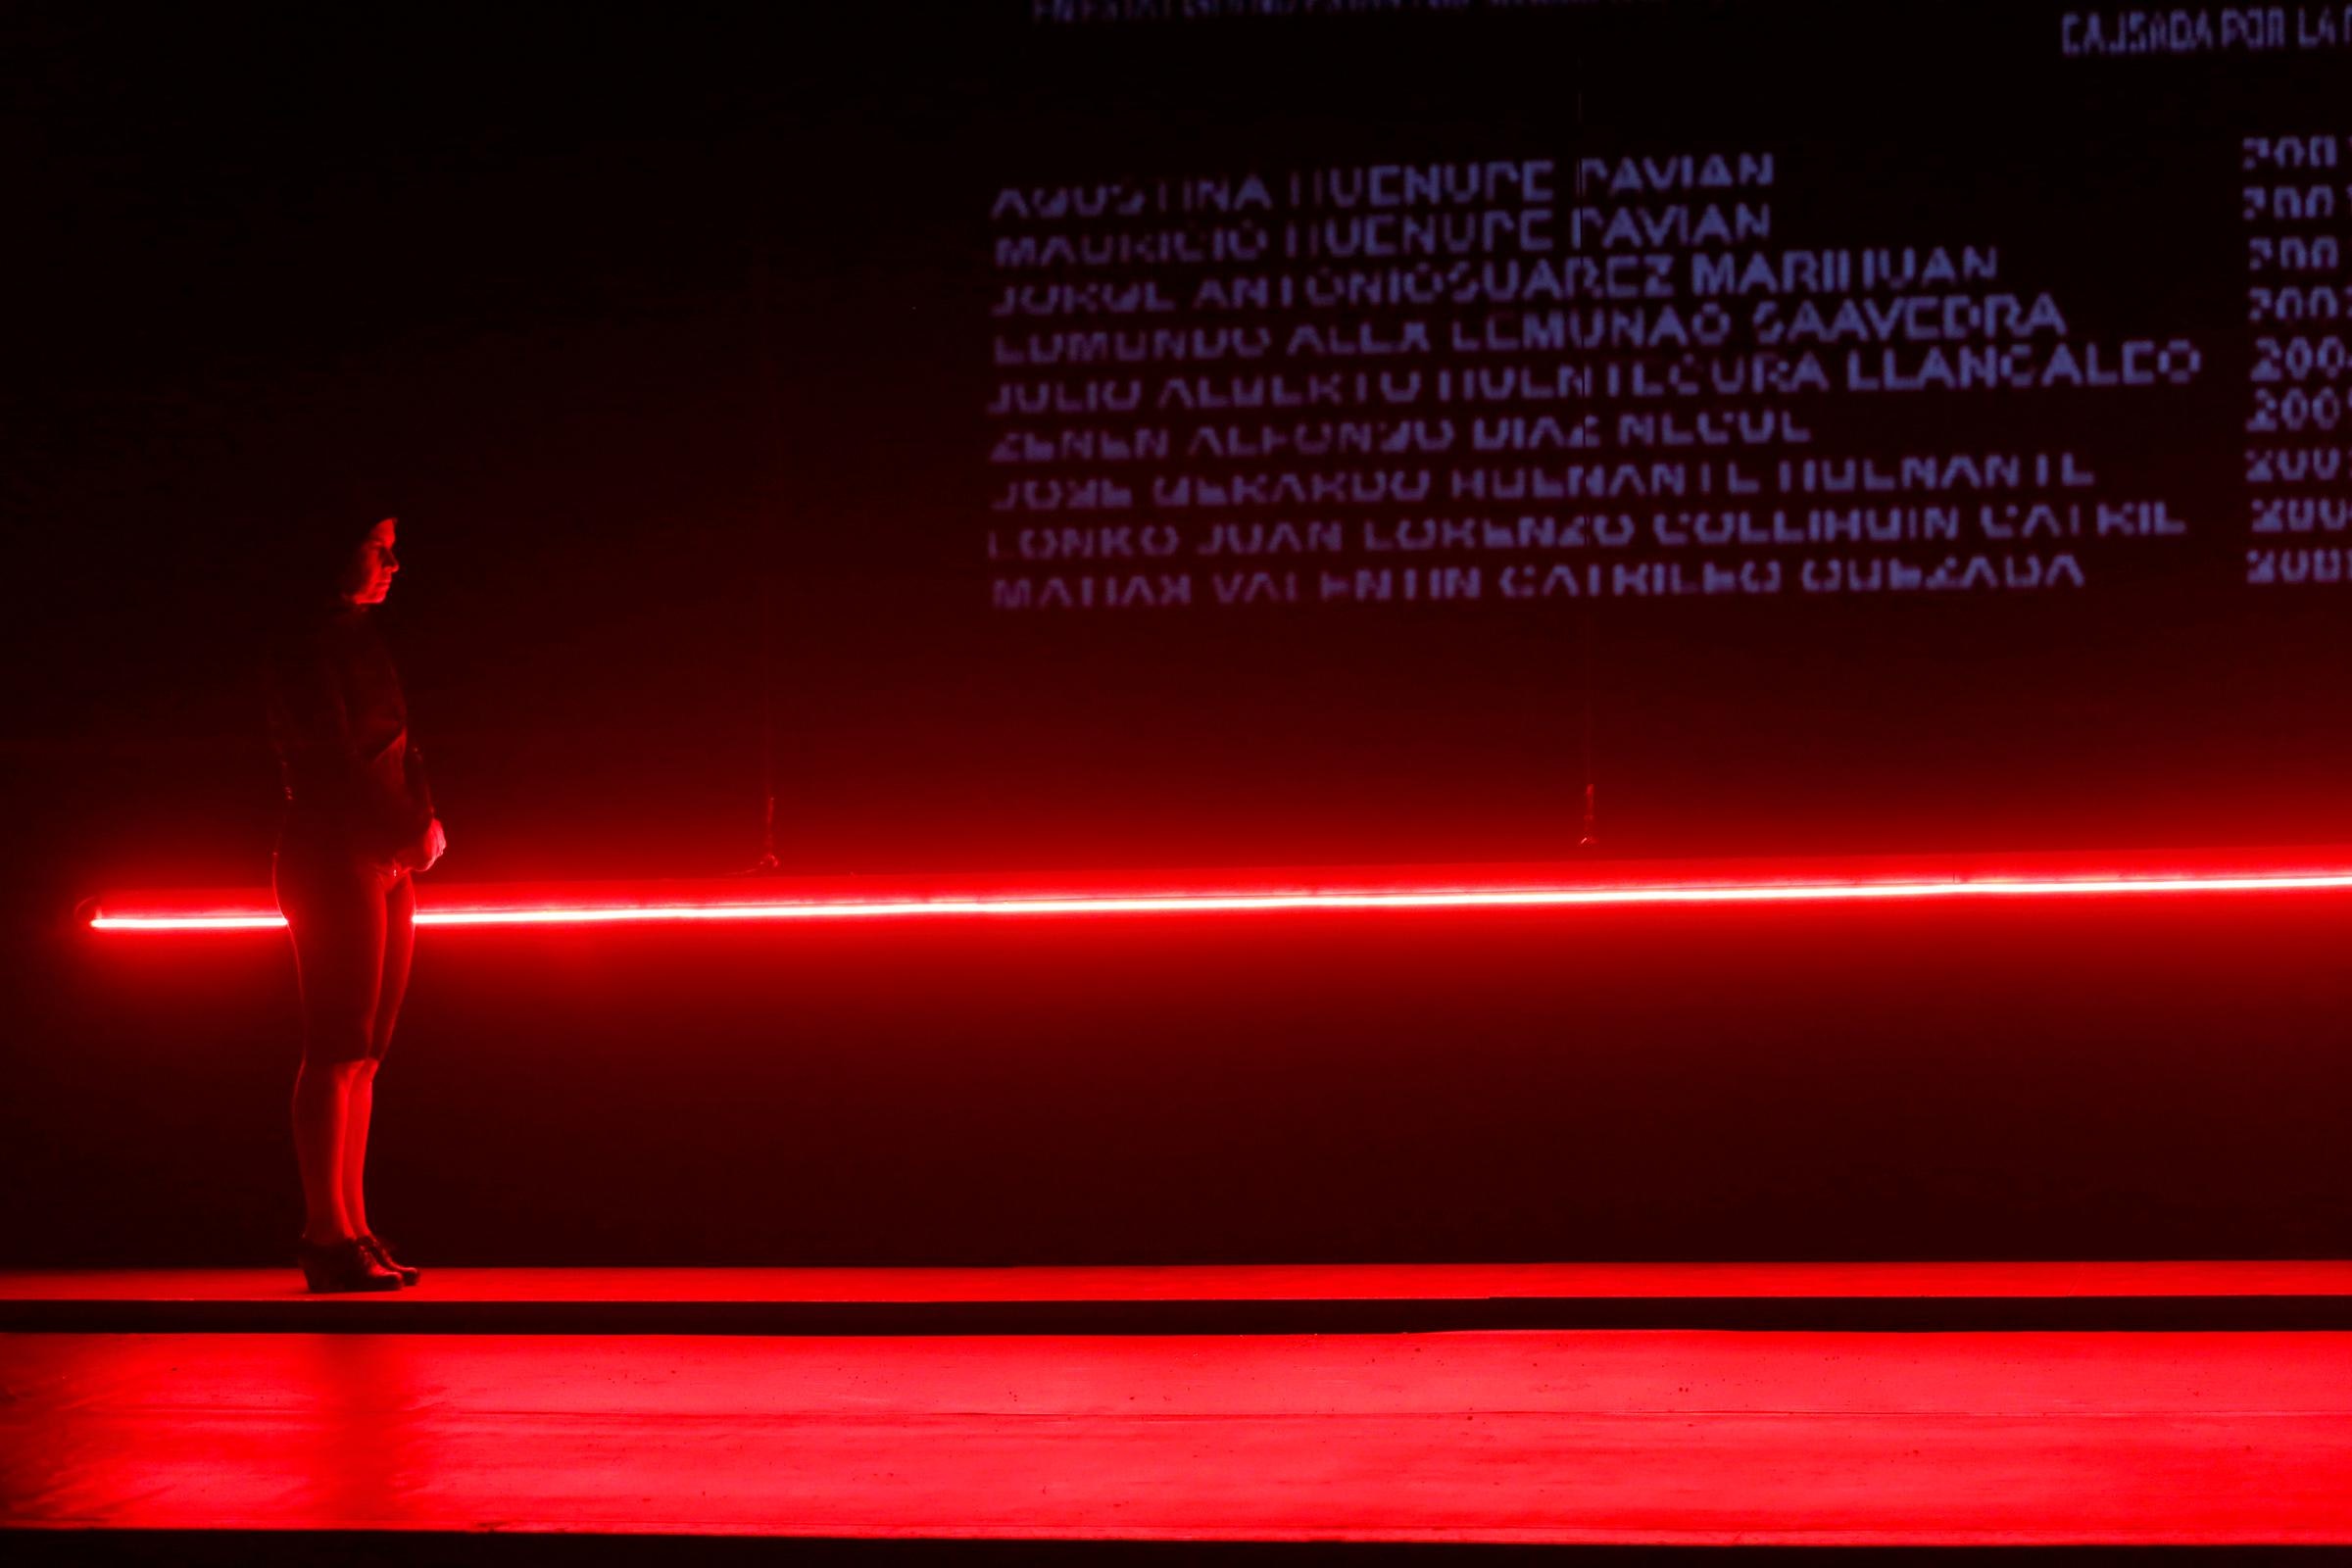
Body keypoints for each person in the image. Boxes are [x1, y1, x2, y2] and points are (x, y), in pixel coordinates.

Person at [266, 514, 446, 1293]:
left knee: (365, 1051)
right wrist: (409, 825)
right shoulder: (305, 644)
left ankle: (353, 1228)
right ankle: (326, 1232)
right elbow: (333, 755)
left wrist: (421, 822)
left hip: (381, 853)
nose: (394, 564)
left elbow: (398, 744)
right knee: (338, 1044)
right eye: (378, 548)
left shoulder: (360, 640)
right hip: (337, 849)